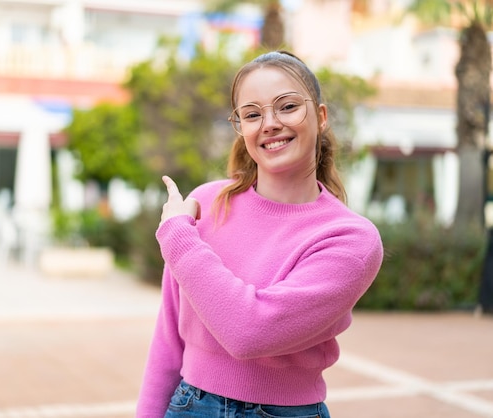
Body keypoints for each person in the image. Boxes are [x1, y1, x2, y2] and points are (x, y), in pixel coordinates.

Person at [136, 50, 384, 418]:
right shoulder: (206, 203)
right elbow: (168, 339)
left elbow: (249, 332)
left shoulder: (351, 240)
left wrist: (177, 238)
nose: (269, 124)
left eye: (287, 107)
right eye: (252, 114)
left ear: (321, 116)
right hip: (188, 406)